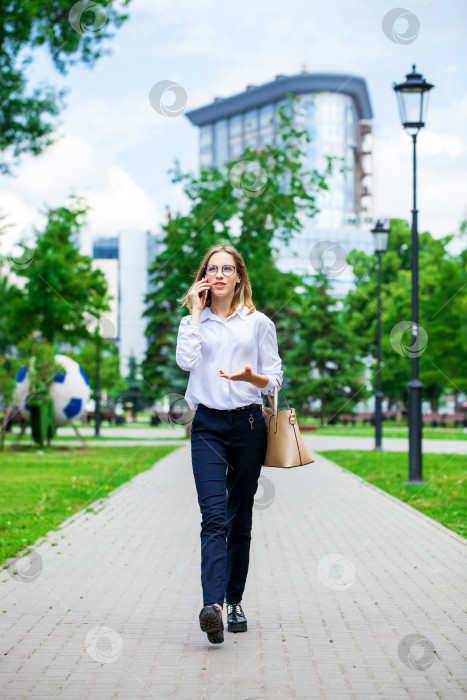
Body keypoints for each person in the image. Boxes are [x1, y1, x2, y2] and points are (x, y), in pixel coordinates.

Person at [176, 242, 283, 644]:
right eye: (212, 268)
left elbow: (274, 377)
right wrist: (193, 313)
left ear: (239, 276)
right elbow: (186, 363)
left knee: (240, 518)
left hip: (249, 424)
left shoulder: (258, 323)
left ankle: (234, 599)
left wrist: (252, 379)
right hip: (206, 427)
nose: (219, 274)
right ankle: (214, 607)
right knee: (213, 518)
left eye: (226, 268)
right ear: (204, 277)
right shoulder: (194, 322)